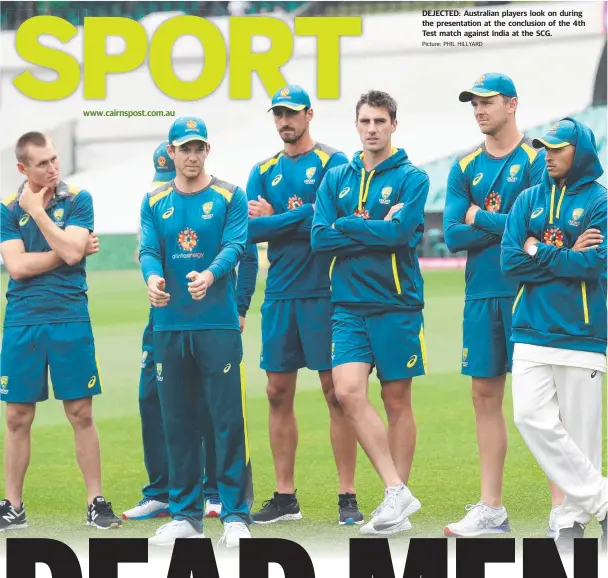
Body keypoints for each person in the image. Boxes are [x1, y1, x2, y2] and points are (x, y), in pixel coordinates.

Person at [442, 73, 563, 537]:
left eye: (486, 102)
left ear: (512, 104)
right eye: (473, 103)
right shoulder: (463, 166)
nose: (478, 110)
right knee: (484, 397)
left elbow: (532, 223)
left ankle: (562, 507)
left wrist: (480, 216)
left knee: (540, 404)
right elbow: (454, 234)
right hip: (480, 295)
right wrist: (504, 224)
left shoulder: (536, 159)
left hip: (526, 293)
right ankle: (491, 508)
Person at [238, 84, 363, 526]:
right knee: (276, 393)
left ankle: (347, 494)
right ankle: (285, 497)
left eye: (291, 113)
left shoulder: (335, 163)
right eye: (278, 114)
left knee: (336, 395)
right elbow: (249, 232)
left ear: (309, 114)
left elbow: (326, 222)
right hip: (280, 294)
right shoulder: (262, 169)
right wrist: (300, 217)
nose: (284, 121)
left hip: (325, 292)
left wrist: (278, 218)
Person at [310, 90, 427, 535]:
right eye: (365, 121)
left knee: (397, 401)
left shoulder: (412, 178)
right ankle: (396, 491)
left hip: (396, 304)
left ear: (393, 124)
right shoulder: (336, 177)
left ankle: (394, 505)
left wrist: (349, 225)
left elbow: (400, 235)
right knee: (347, 392)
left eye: (380, 121)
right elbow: (320, 238)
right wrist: (373, 229)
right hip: (348, 306)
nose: (372, 128)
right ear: (356, 126)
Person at [139, 117, 252, 548]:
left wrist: (210, 273)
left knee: (226, 420)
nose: (191, 156)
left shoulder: (229, 195)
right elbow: (150, 249)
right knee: (178, 422)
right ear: (171, 152)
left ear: (208, 151)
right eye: (184, 148)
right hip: (169, 324)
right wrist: (152, 278)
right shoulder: (155, 201)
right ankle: (185, 514)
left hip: (217, 324)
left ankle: (234, 513)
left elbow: (235, 245)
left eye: (198, 148)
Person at [0, 131, 121, 530]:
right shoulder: (4, 208)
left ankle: (95, 502)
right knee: (17, 416)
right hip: (22, 318)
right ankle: (13, 507)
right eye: (42, 163)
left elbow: (73, 252)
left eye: (54, 159)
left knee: (80, 412)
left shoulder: (79, 198)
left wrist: (37, 213)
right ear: (22, 168)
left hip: (70, 315)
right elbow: (17, 268)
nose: (53, 168)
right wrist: (67, 249)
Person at [500, 117, 608, 553]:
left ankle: (569, 524)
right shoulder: (528, 198)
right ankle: (602, 503)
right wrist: (562, 254)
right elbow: (510, 261)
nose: (548, 155)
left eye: (558, 149)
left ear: (578, 152)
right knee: (529, 417)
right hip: (530, 329)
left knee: (582, 437)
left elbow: (592, 265)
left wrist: (537, 248)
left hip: (583, 333)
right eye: (544, 148)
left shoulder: (600, 201)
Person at [122, 141, 222, 521]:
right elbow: (147, 254)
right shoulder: (154, 205)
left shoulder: (215, 203)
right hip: (161, 320)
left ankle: (212, 490)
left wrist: (239, 309)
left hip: (205, 319)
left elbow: (239, 255)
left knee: (209, 403)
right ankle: (161, 491)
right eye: (163, 178)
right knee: (152, 399)